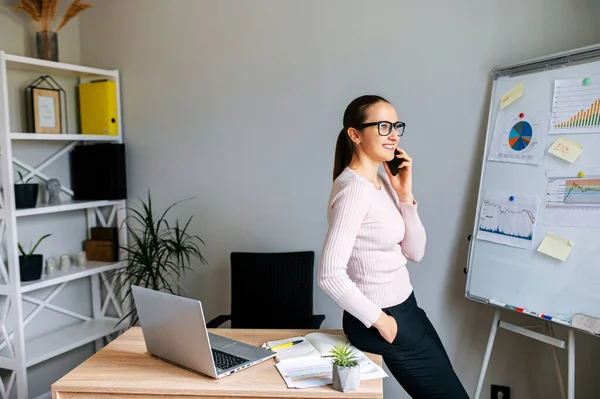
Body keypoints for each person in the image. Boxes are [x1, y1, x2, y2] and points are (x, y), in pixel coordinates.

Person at [318, 95, 469, 398]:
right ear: (355, 134)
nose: (394, 134)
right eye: (383, 126)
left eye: (396, 126)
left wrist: (405, 196)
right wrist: (383, 323)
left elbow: (415, 252)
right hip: (384, 319)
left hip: (409, 309)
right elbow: (329, 275)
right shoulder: (352, 191)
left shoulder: (383, 182)